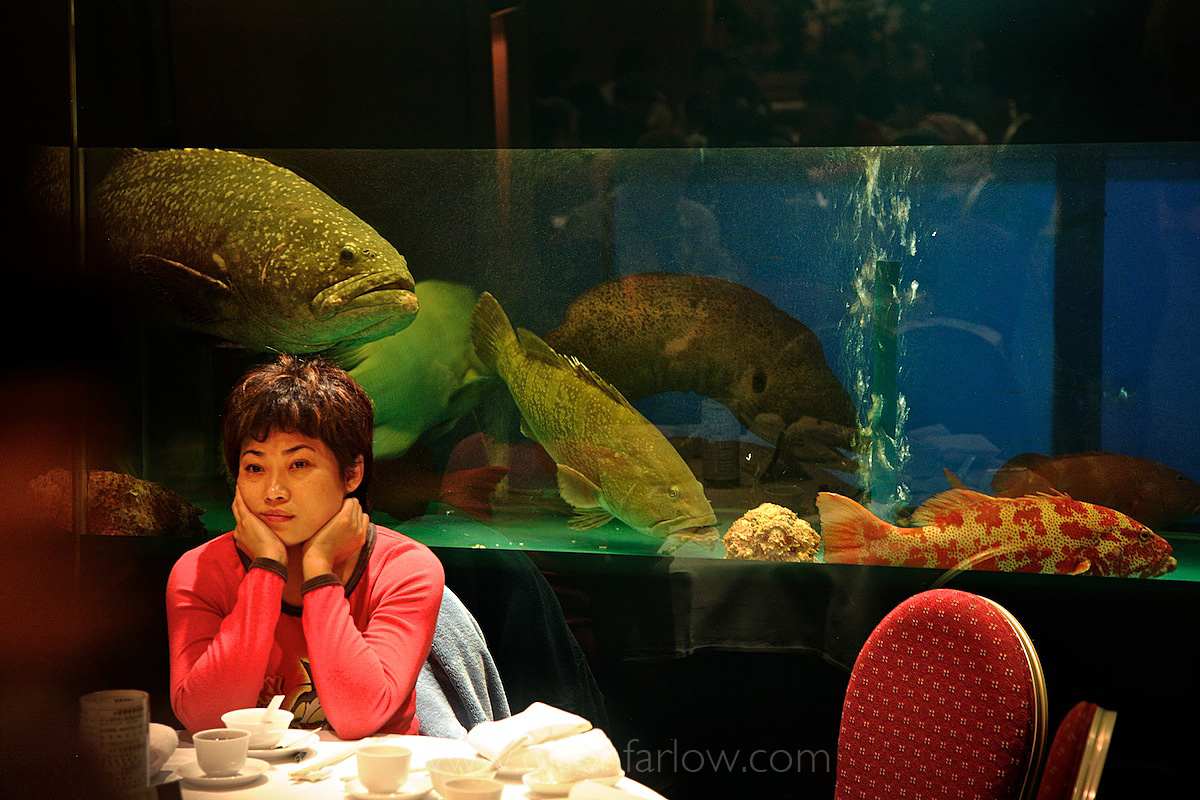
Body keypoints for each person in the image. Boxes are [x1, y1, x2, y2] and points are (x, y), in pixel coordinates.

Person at [166, 355, 444, 739]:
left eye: (299, 465)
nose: (274, 492)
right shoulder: (200, 572)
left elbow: (358, 716)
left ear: (352, 474)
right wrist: (266, 569)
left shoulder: (405, 569)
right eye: (254, 468)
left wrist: (319, 569)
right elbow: (209, 722)